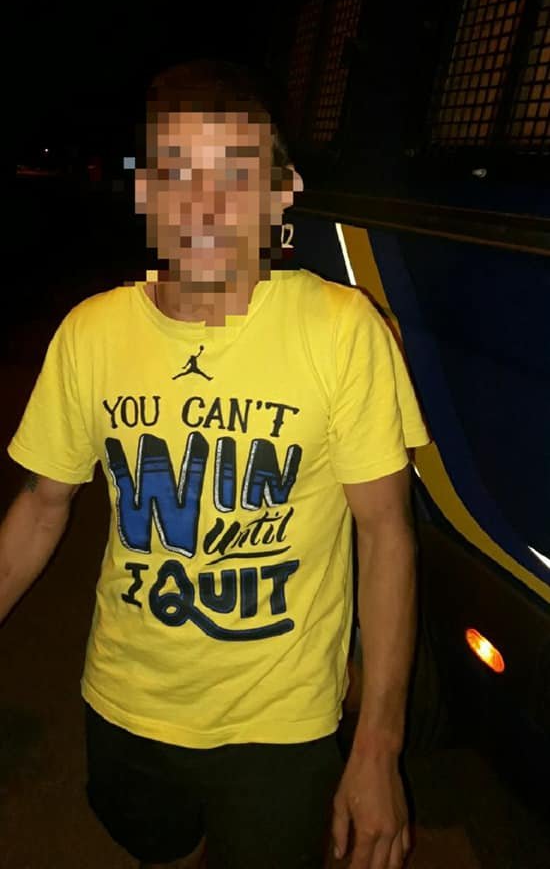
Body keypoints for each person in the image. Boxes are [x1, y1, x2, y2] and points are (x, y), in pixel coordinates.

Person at [1, 59, 431, 869]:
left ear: (280, 194)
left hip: (281, 724)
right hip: (123, 702)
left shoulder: (343, 332)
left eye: (234, 175)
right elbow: (41, 504)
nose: (203, 207)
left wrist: (378, 743)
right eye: (177, 174)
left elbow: (385, 534)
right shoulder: (90, 335)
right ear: (144, 193)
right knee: (157, 846)